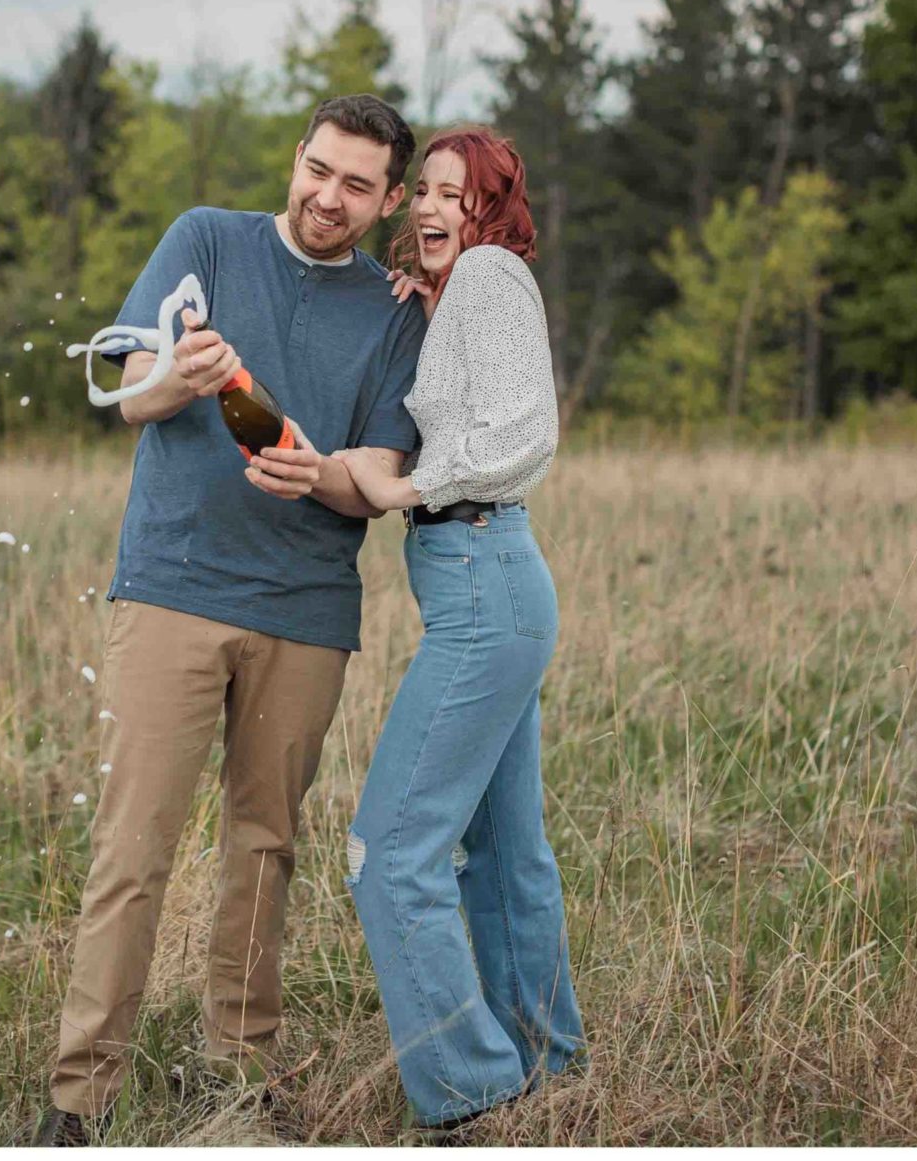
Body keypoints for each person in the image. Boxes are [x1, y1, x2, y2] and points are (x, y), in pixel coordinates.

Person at [34, 94, 425, 1146]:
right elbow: (125, 395)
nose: (327, 196)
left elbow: (382, 471)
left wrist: (323, 472)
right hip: (174, 586)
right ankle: (81, 1096)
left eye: (356, 184)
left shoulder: (396, 315)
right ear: (294, 159)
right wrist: (177, 372)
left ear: (388, 199)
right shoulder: (205, 239)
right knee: (135, 844)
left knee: (265, 845)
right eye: (317, 168)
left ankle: (241, 1080)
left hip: (307, 608)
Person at [334, 126, 587, 1134]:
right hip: (494, 582)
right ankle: (545, 1064)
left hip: (482, 579)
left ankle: (478, 1092)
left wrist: (406, 481)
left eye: (463, 194)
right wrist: (422, 314)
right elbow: (473, 397)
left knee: (389, 850)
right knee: (505, 850)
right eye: (427, 193)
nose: (438, 209)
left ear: (494, 213)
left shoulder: (488, 275)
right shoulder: (461, 294)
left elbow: (528, 427)